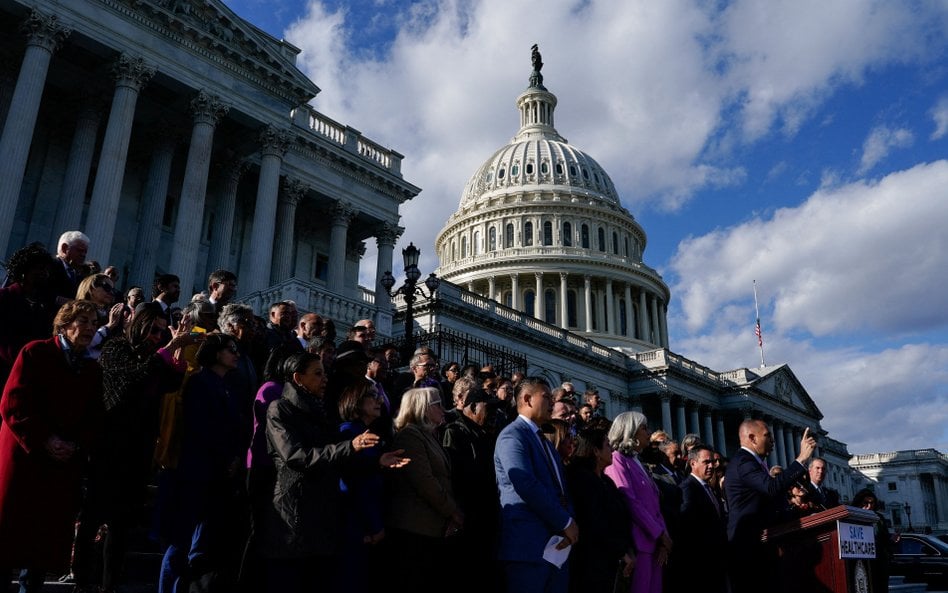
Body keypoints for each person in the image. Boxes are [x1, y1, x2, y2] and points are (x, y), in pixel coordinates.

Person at [262, 353, 405, 593]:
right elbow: (296, 456)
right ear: (298, 378)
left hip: (322, 516)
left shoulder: (320, 411)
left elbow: (339, 461)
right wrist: (351, 446)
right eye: (317, 373)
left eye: (324, 372)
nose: (325, 379)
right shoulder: (280, 409)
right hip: (294, 514)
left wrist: (376, 462)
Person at [0, 301, 104, 593]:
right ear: (64, 324)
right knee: (9, 539)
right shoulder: (36, 352)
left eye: (94, 323)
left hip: (60, 466)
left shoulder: (91, 369)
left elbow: (94, 417)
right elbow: (13, 404)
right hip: (25, 458)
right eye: (83, 321)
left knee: (41, 546)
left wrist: (76, 444)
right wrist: (46, 439)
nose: (89, 328)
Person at [159, 334, 244, 593]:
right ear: (216, 353)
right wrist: (223, 458)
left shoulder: (226, 386)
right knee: (181, 541)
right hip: (197, 472)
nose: (236, 354)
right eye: (231, 350)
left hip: (216, 474)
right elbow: (200, 428)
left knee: (201, 542)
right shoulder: (200, 382)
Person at [494, 377, 577, 593]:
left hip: (557, 547)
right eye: (546, 397)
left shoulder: (545, 442)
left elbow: (562, 489)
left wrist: (569, 523)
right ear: (528, 399)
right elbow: (525, 484)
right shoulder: (512, 436)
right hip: (528, 547)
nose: (552, 402)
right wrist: (565, 521)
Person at [724, 420, 817, 593]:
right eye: (767, 435)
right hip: (747, 548)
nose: (773, 440)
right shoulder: (744, 462)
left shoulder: (754, 463)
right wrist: (801, 459)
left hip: (762, 545)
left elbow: (770, 503)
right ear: (752, 438)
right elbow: (771, 488)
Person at [386, 387, 461, 593]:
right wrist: (452, 511)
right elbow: (424, 481)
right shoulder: (410, 435)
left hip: (431, 528)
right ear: (423, 408)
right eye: (437, 404)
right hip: (414, 529)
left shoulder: (429, 436)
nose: (443, 409)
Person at [604, 412, 672, 593]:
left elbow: (654, 504)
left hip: (655, 544)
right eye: (643, 428)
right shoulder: (617, 459)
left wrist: (663, 537)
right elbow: (630, 501)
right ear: (630, 432)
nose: (648, 432)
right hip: (639, 543)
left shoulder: (637, 461)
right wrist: (659, 534)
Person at [564, 426, 634, 593]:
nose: (612, 449)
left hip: (609, 561)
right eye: (608, 445)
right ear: (596, 450)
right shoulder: (582, 479)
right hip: (590, 562)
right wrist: (620, 551)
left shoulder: (606, 481)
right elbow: (594, 521)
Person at [677, 444, 727, 593]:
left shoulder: (709, 489)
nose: (712, 466)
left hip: (715, 561)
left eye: (712, 462)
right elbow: (687, 525)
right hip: (700, 564)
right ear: (693, 463)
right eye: (706, 462)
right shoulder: (688, 488)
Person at [852, 488, 891, 593]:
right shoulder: (853, 518)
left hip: (880, 561)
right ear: (859, 503)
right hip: (862, 562)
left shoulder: (879, 518)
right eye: (866, 503)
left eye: (872, 503)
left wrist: (893, 539)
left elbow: (885, 538)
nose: (869, 506)